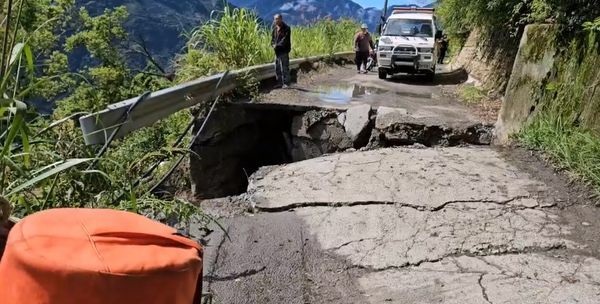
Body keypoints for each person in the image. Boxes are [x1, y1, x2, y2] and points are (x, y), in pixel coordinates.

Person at [271, 14, 291, 88]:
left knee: (285, 67)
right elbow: (272, 39)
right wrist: (272, 45)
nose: (276, 20)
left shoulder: (286, 28)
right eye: (275, 19)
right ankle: (279, 83)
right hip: (276, 52)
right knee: (277, 68)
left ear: (281, 19)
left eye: (278, 19)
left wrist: (277, 45)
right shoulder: (274, 28)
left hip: (284, 50)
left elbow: (285, 40)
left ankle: (286, 83)